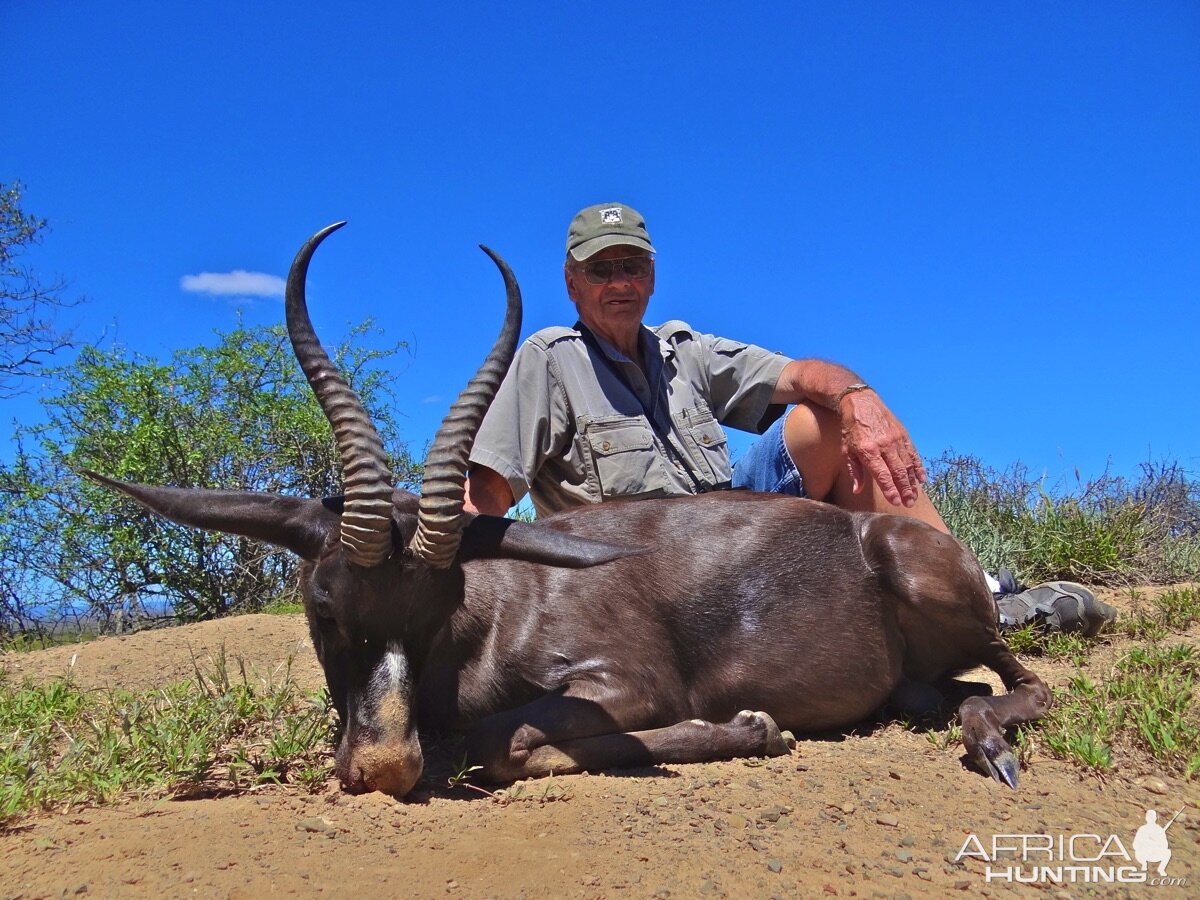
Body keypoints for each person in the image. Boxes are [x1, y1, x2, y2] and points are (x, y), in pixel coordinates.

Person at [465, 202, 1114, 635]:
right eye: (600, 270)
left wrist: (860, 397)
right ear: (571, 282)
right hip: (641, 582)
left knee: (827, 421)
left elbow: (804, 375)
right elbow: (486, 495)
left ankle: (971, 595)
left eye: (631, 266)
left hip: (735, 537)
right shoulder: (549, 361)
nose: (619, 282)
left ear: (653, 275)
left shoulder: (682, 351)